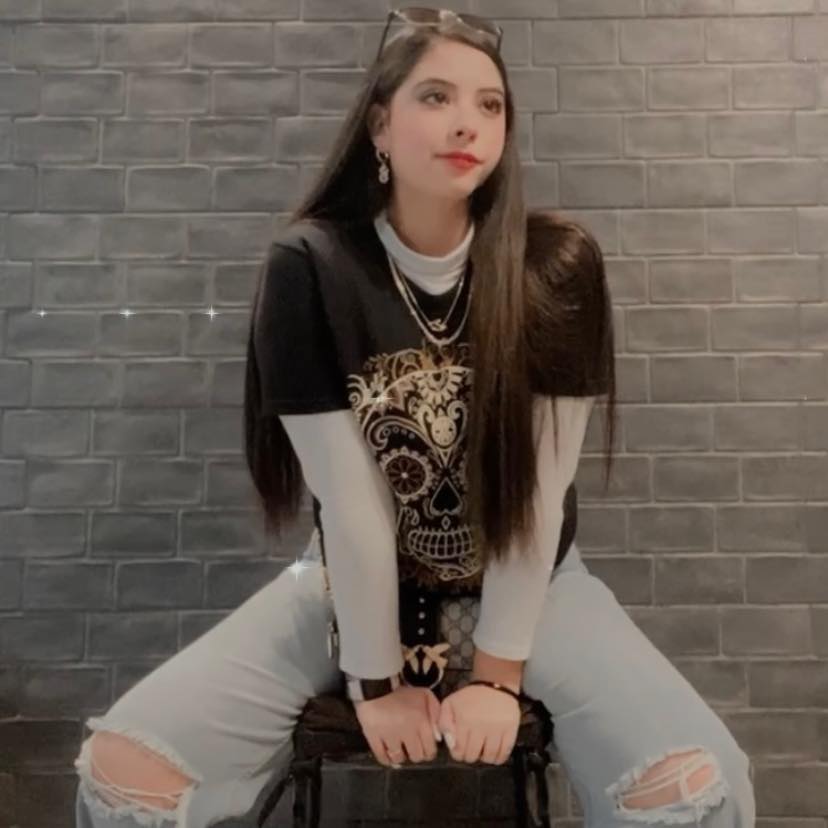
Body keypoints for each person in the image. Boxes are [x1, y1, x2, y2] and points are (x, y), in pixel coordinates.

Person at [72, 7, 756, 827]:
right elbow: (352, 507)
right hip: (347, 579)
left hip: (532, 583)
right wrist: (375, 681)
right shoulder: (311, 266)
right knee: (122, 776)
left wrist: (497, 673)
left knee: (697, 787)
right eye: (435, 96)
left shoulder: (555, 267)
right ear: (379, 126)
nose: (468, 122)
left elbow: (538, 501)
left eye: (490, 105)